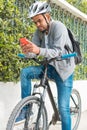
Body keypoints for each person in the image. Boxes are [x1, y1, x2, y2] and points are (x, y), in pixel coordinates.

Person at [16, 1, 75, 130]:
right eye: (34, 22)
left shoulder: (59, 27)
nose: (37, 25)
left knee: (63, 109)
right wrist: (27, 51)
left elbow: (57, 51)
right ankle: (26, 111)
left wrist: (37, 50)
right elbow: (35, 52)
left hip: (64, 71)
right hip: (49, 68)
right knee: (25, 73)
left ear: (47, 17)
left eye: (39, 21)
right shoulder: (39, 32)